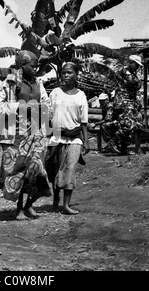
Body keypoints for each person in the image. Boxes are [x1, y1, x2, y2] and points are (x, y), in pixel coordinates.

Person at [0, 50, 52, 220]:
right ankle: (19, 208)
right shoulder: (11, 83)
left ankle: (29, 205)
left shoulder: (38, 83)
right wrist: (18, 108)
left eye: (36, 66)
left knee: (37, 169)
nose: (35, 69)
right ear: (22, 65)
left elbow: (46, 102)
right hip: (17, 133)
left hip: (37, 131)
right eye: (32, 66)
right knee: (19, 170)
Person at [45, 62, 90, 215]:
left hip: (75, 137)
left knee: (69, 169)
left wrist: (86, 140)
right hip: (57, 134)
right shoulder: (55, 93)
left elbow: (84, 120)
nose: (65, 75)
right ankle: (56, 199)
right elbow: (49, 115)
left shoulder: (81, 95)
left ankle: (66, 205)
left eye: (69, 72)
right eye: (63, 73)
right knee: (55, 168)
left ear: (76, 75)